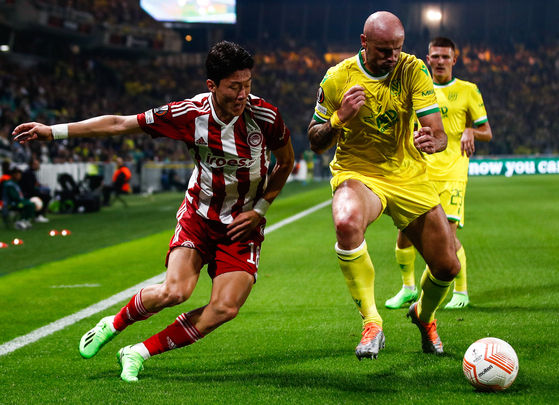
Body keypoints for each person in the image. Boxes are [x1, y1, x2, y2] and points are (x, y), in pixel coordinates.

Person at [13, 41, 295, 382]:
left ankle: (137, 352)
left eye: (248, 84)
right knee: (175, 292)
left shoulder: (264, 115)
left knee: (225, 308)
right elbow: (119, 123)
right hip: (200, 216)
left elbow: (286, 162)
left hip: (242, 224)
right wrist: (53, 131)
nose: (243, 94)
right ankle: (113, 323)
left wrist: (260, 209)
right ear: (212, 86)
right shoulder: (188, 114)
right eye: (234, 86)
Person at [307, 12, 460, 360]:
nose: (392, 57)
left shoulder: (412, 69)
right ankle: (372, 322)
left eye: (397, 49)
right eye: (383, 50)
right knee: (346, 221)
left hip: (408, 174)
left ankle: (423, 314)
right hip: (358, 172)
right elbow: (315, 141)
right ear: (364, 43)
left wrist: (433, 140)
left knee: (448, 267)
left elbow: (437, 132)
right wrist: (338, 118)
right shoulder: (337, 78)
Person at [385, 37, 492, 311]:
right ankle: (408, 289)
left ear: (454, 60)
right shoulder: (416, 88)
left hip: (452, 173)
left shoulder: (468, 90)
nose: (440, 61)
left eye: (446, 56)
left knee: (447, 237)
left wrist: (470, 131)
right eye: (436, 56)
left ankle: (461, 291)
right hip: (417, 172)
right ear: (428, 58)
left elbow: (486, 131)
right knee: (404, 234)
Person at [1, 164, 36, 230]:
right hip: (11, 204)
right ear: (13, 174)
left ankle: (25, 220)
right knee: (30, 205)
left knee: (31, 203)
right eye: (18, 173)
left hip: (16, 202)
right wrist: (24, 201)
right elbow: (14, 197)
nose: (20, 175)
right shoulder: (9, 184)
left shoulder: (15, 183)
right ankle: (21, 221)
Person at [19, 157, 51, 223]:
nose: (38, 166)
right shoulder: (29, 173)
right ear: (33, 165)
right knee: (45, 197)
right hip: (27, 194)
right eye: (37, 164)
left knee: (45, 195)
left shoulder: (31, 173)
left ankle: (39, 214)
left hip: (29, 192)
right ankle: (38, 214)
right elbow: (30, 187)